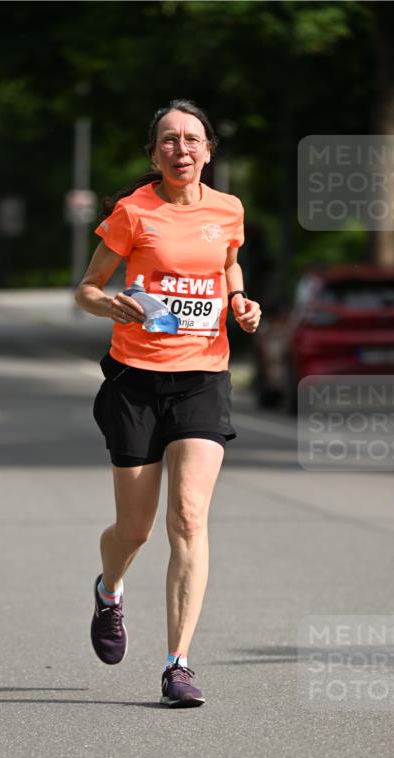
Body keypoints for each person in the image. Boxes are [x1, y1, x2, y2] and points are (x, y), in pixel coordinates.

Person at [75, 99, 261, 708]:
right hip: (135, 381)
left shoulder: (228, 210)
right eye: (169, 141)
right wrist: (111, 305)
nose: (181, 149)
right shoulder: (133, 213)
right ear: (154, 154)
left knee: (188, 519)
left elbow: (229, 269)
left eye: (192, 139)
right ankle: (109, 590)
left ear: (209, 150)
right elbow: (86, 289)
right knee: (136, 528)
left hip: (204, 376)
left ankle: (178, 663)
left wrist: (240, 302)